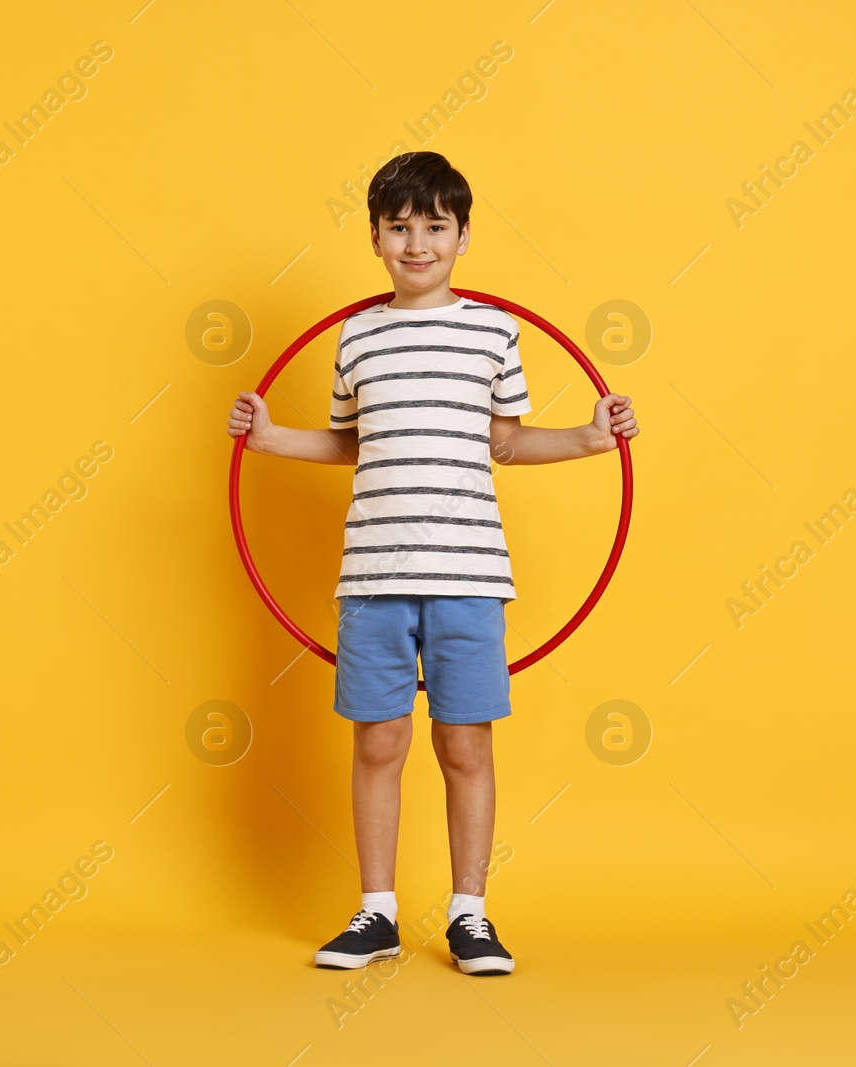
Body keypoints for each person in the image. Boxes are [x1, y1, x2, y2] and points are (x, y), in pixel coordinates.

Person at [225, 151, 640, 976]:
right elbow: (351, 442)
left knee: (465, 744)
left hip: (469, 574)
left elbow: (507, 442)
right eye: (399, 228)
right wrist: (270, 438)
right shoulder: (357, 335)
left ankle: (470, 913)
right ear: (375, 236)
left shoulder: (493, 330)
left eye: (434, 228)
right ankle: (376, 911)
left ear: (463, 236)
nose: (417, 244)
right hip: (372, 576)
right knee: (378, 742)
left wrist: (593, 437)